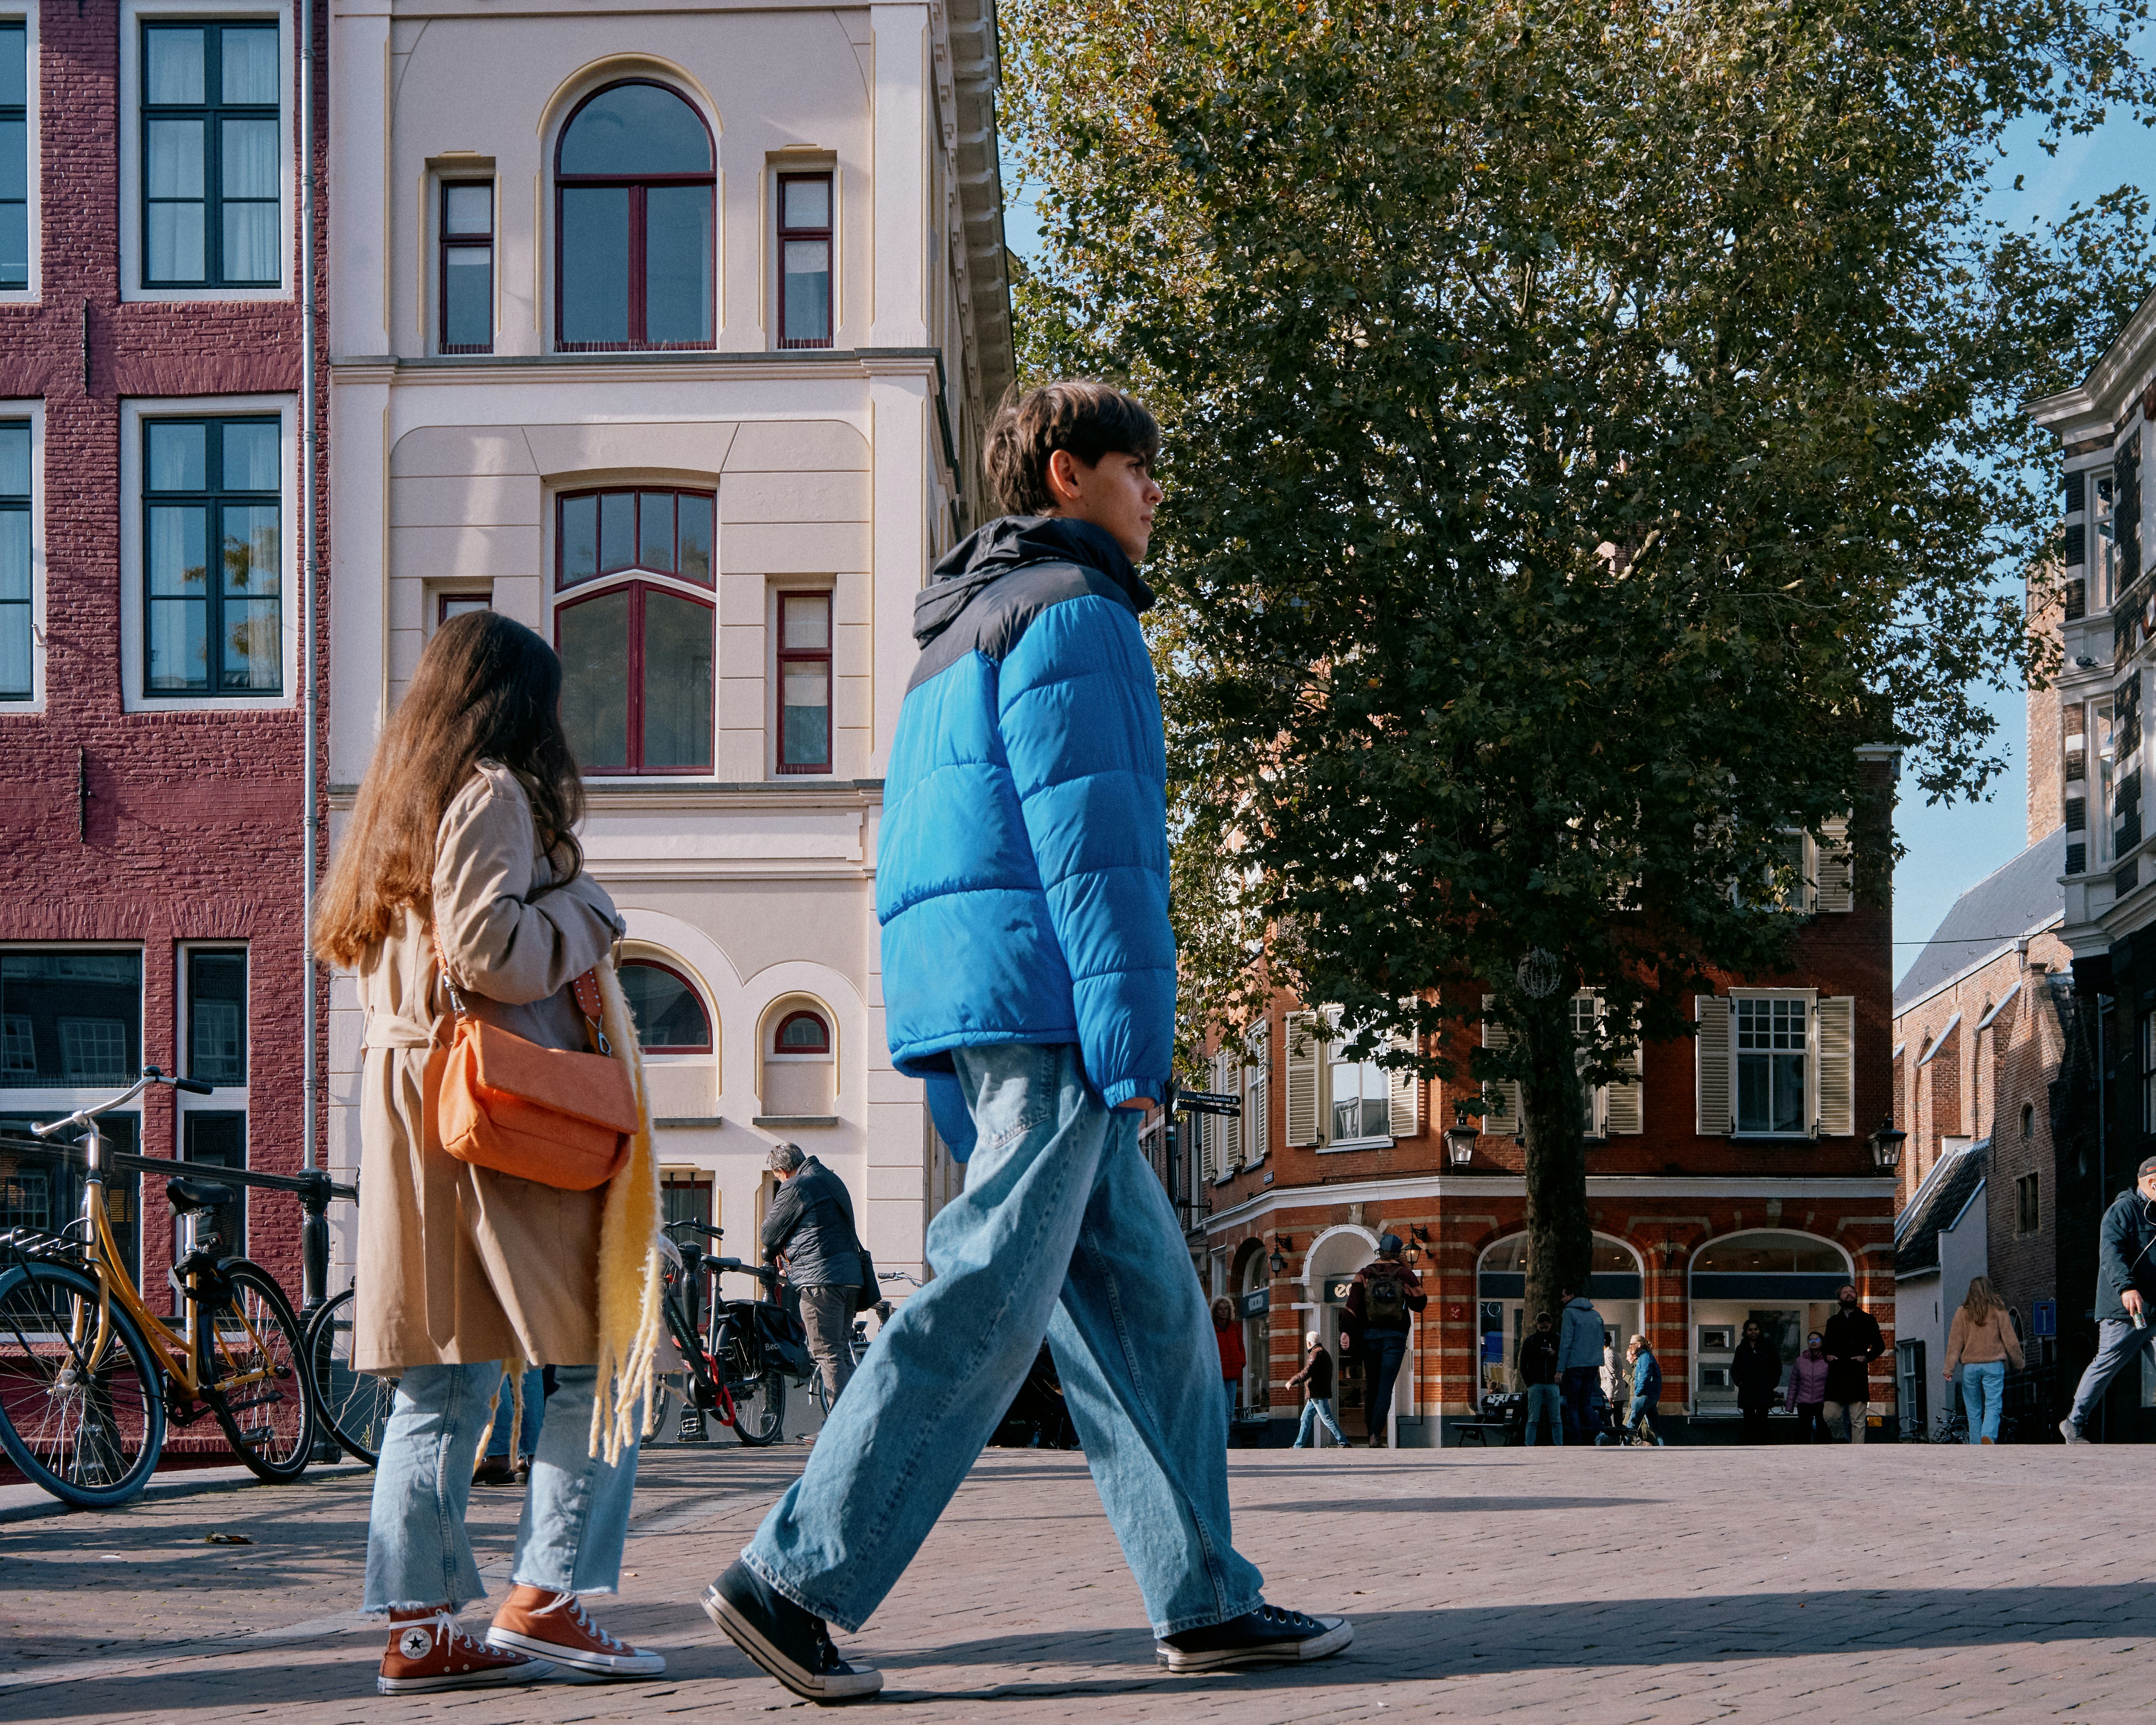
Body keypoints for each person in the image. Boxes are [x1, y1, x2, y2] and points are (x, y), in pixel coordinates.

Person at [697, 381, 1350, 1702]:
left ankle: (1204, 1595)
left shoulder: (955, 632)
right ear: (1068, 472)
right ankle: (795, 1575)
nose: (1156, 491)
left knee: (1155, 1315)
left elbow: (922, 853)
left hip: (987, 1000)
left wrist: (944, 1039)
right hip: (1053, 1006)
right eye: (1138, 466)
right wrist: (1134, 1045)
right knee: (989, 1292)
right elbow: (1096, 848)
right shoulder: (1077, 611)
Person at [313, 612, 666, 1695]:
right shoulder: (495, 793)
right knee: (599, 1358)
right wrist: (590, 908)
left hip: (421, 1106)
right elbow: (492, 952)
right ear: (519, 704)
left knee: (443, 1377)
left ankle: (419, 1633)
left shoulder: (396, 809)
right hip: (493, 1114)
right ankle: (546, 1601)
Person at [760, 1141, 867, 1424]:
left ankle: (837, 1428)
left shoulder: (797, 1185)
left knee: (826, 1351)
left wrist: (776, 1252)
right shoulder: (831, 1179)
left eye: (777, 1177)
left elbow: (769, 1234)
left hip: (821, 1279)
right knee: (841, 1350)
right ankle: (853, 1423)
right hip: (850, 1277)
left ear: (782, 1170)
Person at [2061, 1156, 2156, 1443]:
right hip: (2124, 1310)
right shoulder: (2122, 1211)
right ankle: (2074, 1423)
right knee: (2106, 1365)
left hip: (2154, 1308)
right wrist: (2127, 1288)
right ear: (2153, 1182)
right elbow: (2111, 1254)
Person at [1342, 1234, 1426, 1447]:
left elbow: (1354, 1303)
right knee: (1385, 1387)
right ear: (1398, 1253)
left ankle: (1370, 1429)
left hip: (1369, 1337)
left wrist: (1346, 1331)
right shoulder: (1404, 1273)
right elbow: (1420, 1303)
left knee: (1372, 1386)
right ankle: (1376, 1435)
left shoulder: (1364, 1273)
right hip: (1395, 1337)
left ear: (1379, 1251)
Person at [1943, 1275, 2025, 1445]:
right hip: (1994, 1365)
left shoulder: (1962, 1312)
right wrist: (2019, 1364)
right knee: (1993, 1405)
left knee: (1973, 1410)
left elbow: (1955, 1343)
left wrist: (1949, 1368)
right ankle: (1988, 1435)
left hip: (1971, 1367)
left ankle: (1976, 1444)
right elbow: (2011, 1341)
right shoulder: (1999, 1311)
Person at [1821, 1282, 1884, 1444]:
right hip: (1837, 1373)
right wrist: (1827, 1356)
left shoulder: (1868, 1320)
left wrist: (1866, 1357)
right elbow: (1826, 1346)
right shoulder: (1833, 1321)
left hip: (1857, 1373)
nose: (1849, 1294)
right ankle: (1841, 1438)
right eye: (1845, 1293)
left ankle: (1858, 1453)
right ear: (1839, 1298)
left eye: (1852, 1292)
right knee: (1830, 1415)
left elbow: (1880, 1346)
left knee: (1858, 1420)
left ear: (1856, 1296)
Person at [1556, 1287, 1603, 1445]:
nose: (1562, 1299)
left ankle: (1577, 1442)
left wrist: (1560, 1369)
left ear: (1571, 1296)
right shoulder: (1596, 1315)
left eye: (1564, 1296)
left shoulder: (1569, 1314)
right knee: (1586, 1403)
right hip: (1592, 1365)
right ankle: (1599, 1433)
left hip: (1575, 1365)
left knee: (1573, 1406)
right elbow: (1599, 1342)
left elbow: (1566, 1343)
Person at [1288, 1333, 1346, 1448]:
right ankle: (1298, 1445)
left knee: (1327, 1419)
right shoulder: (1323, 1352)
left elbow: (1306, 1372)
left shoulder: (1315, 1354)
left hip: (1317, 1393)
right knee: (1305, 1418)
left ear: (1309, 1343)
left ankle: (1344, 1442)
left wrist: (1292, 1381)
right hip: (1316, 1393)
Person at [1731, 1321, 1782, 1445]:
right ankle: (1749, 1447)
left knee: (1763, 1420)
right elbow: (1735, 1369)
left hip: (1764, 1390)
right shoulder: (1741, 1348)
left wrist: (1772, 1383)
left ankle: (1765, 1447)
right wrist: (1740, 1382)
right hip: (1747, 1390)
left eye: (1756, 1329)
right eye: (1750, 1330)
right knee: (1748, 1421)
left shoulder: (1768, 1347)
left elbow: (1777, 1366)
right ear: (1746, 1332)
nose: (1754, 1332)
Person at [1516, 1312, 1562, 1446]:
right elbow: (1523, 1363)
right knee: (1534, 1419)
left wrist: (1554, 1354)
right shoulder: (1531, 1341)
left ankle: (1556, 1445)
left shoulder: (1555, 1340)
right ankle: (1531, 1445)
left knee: (1554, 1419)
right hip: (1537, 1383)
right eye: (1542, 1328)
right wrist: (1529, 1382)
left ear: (1550, 1325)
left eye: (1546, 1328)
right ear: (1537, 1326)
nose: (1544, 1330)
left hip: (1549, 1383)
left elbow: (1563, 1358)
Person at [1212, 1297, 1248, 1440]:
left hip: (1233, 1373)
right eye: (1221, 1309)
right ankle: (1223, 1438)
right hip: (1218, 1375)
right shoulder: (1211, 1328)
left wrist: (1241, 1362)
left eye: (1226, 1308)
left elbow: (1241, 1346)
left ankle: (1223, 1437)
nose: (1224, 1311)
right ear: (1216, 1311)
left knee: (1230, 1409)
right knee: (1224, 1408)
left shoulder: (1235, 1327)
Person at [1786, 1331, 1831, 1442]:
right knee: (1803, 1432)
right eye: (1811, 1340)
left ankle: (1824, 1454)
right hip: (1804, 1401)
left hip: (1822, 1401)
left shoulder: (1827, 1361)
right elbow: (1793, 1384)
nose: (1813, 1342)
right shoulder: (1800, 1361)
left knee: (1823, 1431)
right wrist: (1789, 1406)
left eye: (1817, 1340)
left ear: (1822, 1342)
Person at [1622, 1334, 1665, 1445]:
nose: (1630, 1347)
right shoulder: (1647, 1356)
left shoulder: (1644, 1358)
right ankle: (1662, 1446)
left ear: (1639, 1345)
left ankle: (1623, 1447)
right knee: (1653, 1424)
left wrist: (1638, 1393)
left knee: (1632, 1422)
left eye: (1632, 1344)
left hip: (1644, 1395)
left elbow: (1644, 1377)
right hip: (1651, 1394)